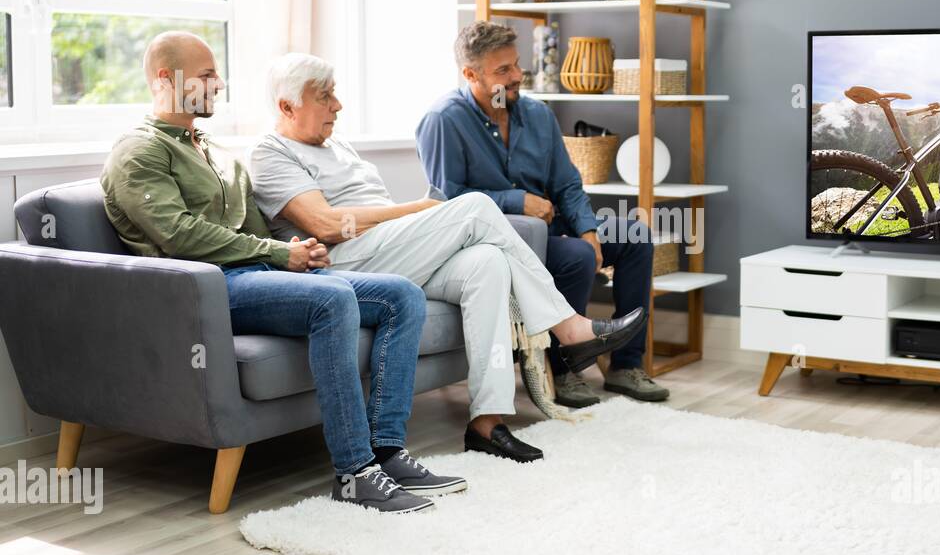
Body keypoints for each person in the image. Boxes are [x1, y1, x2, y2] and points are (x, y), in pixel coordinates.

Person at [101, 31, 451, 514]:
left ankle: (387, 451)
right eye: (206, 76)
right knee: (333, 301)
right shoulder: (139, 152)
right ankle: (354, 471)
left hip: (252, 279)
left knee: (402, 296)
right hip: (203, 288)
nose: (218, 84)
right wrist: (276, 253)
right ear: (166, 78)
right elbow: (180, 236)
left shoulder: (218, 154)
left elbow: (254, 228)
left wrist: (297, 248)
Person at [249, 53, 645, 464]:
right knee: (473, 206)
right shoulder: (270, 151)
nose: (338, 105)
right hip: (344, 263)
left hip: (386, 251)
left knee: (488, 262)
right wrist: (421, 210)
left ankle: (487, 425)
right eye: (325, 97)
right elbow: (328, 224)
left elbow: (371, 216)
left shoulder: (338, 146)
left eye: (335, 94)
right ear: (286, 106)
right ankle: (570, 329)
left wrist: (417, 215)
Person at [416, 21, 667, 408]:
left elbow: (567, 183)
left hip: (551, 224)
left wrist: (587, 229)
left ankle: (625, 366)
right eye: (503, 71)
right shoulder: (443, 121)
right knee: (578, 258)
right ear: (470, 74)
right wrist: (516, 200)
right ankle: (565, 368)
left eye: (516, 65)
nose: (517, 76)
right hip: (499, 238)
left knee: (635, 238)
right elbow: (449, 200)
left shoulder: (537, 114)